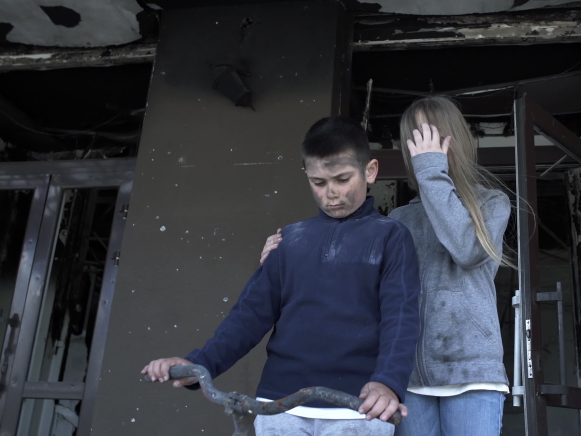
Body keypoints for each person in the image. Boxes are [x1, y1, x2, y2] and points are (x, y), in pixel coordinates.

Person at [143, 116, 421, 436]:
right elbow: (248, 316)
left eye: (342, 179)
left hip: (358, 408)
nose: (331, 193)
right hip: (279, 404)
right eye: (318, 182)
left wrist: (388, 383)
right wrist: (200, 364)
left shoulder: (391, 237)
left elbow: (401, 317)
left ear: (370, 171)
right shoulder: (289, 240)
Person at [260, 96, 513, 436]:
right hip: (406, 378)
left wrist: (431, 171)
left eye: (430, 134)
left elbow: (466, 250)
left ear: (453, 136)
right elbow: (355, 284)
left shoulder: (493, 203)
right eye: (414, 137)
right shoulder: (399, 218)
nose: (421, 146)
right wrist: (285, 259)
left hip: (471, 374)